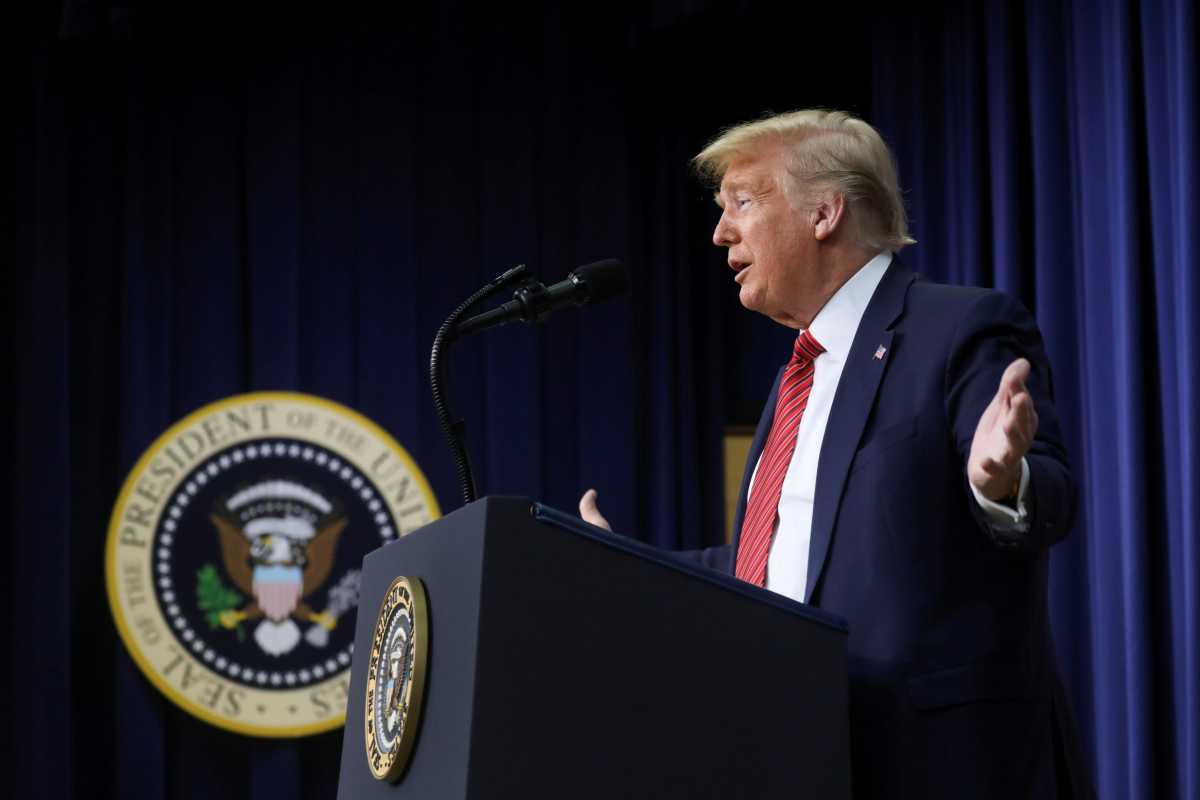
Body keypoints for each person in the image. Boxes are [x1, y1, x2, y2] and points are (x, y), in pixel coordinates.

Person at [580, 110, 1090, 799]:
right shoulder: (802, 372)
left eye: (743, 202)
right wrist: (619, 566)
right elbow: (771, 563)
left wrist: (1002, 482)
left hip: (942, 767)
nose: (720, 231)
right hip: (807, 755)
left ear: (824, 212)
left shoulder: (958, 326)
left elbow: (1048, 494)